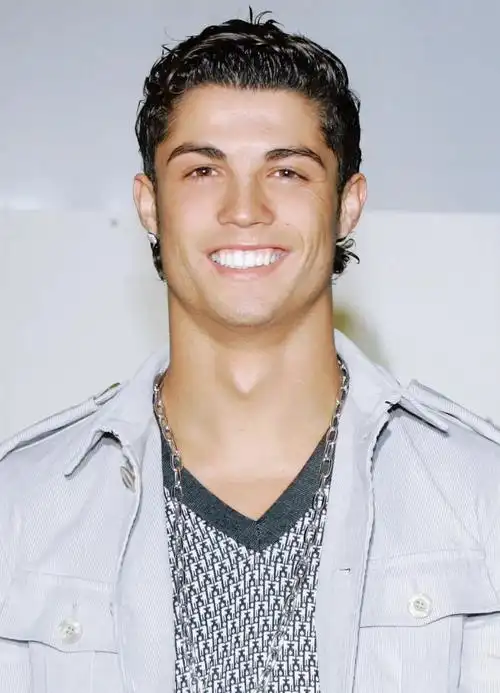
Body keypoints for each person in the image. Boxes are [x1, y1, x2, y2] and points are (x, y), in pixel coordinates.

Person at [1, 10, 499, 693]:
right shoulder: (23, 510)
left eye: (287, 172)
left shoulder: (479, 496)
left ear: (347, 205)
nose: (244, 208)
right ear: (149, 205)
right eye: (203, 170)